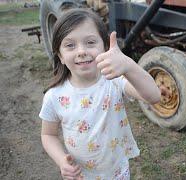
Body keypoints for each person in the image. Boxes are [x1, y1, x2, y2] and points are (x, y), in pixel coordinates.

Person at [39, 8, 161, 180]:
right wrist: (61, 161)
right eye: (70, 45)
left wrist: (129, 65)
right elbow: (48, 135)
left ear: (104, 47)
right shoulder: (54, 96)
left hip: (118, 173)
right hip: (81, 176)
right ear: (60, 55)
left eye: (90, 42)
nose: (81, 51)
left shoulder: (114, 81)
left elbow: (154, 96)